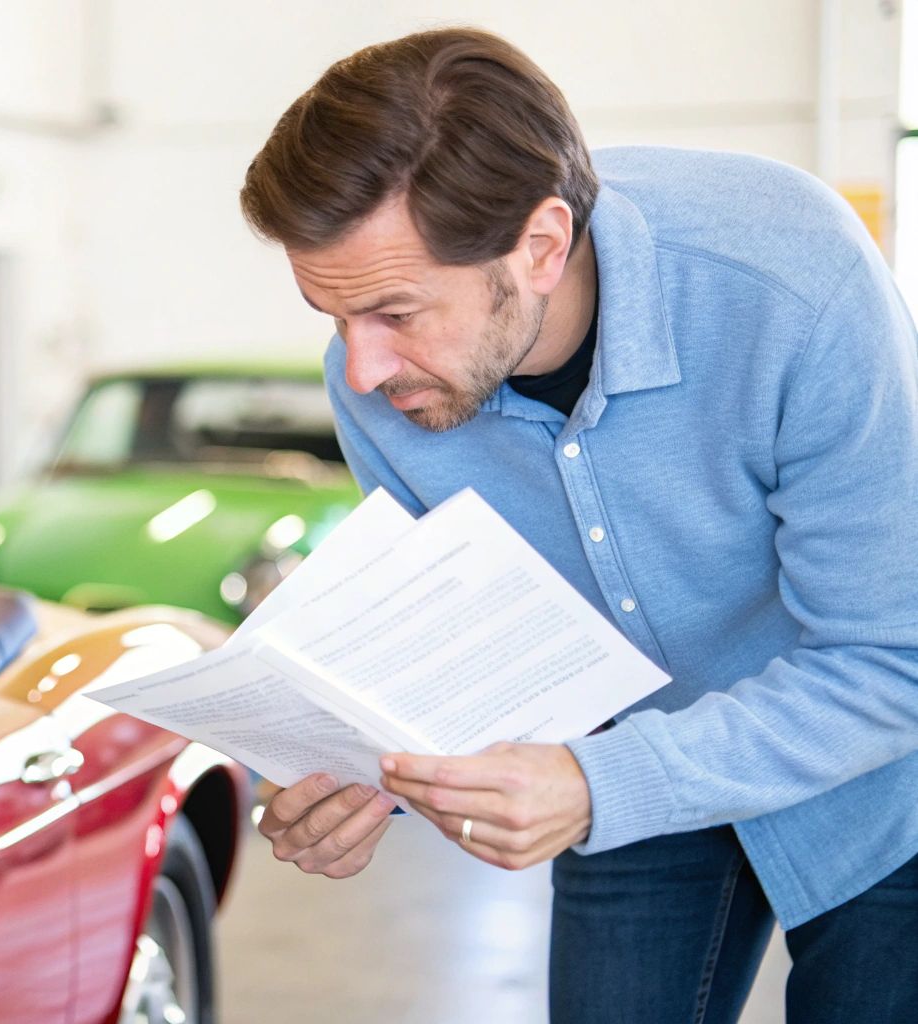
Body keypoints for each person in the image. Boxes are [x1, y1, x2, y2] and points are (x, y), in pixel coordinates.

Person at [238, 27, 918, 1024]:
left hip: (869, 778)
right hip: (616, 759)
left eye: (393, 312)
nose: (360, 372)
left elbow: (890, 655)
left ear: (541, 245)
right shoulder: (377, 377)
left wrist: (596, 783)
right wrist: (365, 777)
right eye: (331, 317)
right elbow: (472, 629)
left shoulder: (790, 283)